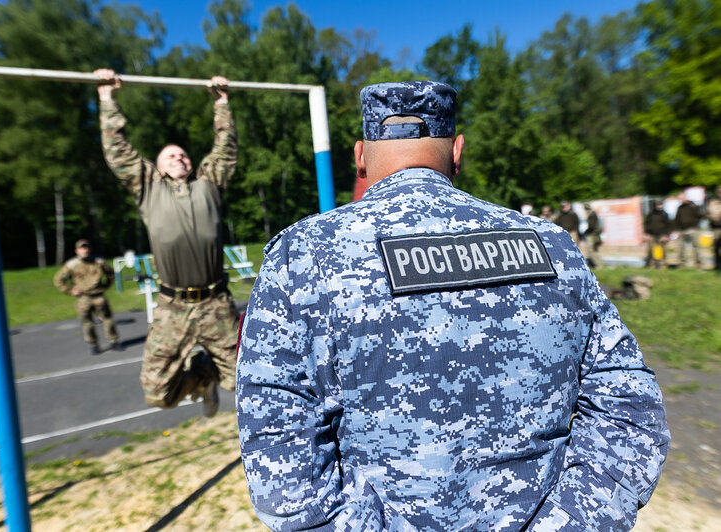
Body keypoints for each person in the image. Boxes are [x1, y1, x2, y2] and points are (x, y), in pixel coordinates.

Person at [237, 81, 669, 531]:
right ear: (458, 150)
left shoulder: (303, 255)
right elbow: (632, 412)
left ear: (360, 156)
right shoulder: (550, 245)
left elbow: (280, 468)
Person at [95, 68, 239, 417]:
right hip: (172, 305)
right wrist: (106, 98)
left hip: (215, 302)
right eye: (170, 155)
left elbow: (225, 148)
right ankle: (201, 379)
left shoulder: (209, 184)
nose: (179, 158)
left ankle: (209, 372)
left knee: (245, 380)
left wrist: (221, 103)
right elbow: (119, 152)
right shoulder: (148, 187)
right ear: (157, 167)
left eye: (183, 154)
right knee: (157, 393)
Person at [54, 239, 120, 355]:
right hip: (84, 297)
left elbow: (111, 273)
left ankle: (114, 341)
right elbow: (58, 280)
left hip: (98, 295)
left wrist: (106, 285)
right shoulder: (72, 264)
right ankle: (93, 344)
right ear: (77, 251)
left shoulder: (98, 262)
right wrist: (69, 290)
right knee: (87, 322)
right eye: (82, 248)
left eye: (86, 247)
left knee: (108, 319)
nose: (85, 250)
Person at [674, 192, 703, 268]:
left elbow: (700, 215)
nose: (680, 200)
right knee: (681, 247)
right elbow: (677, 219)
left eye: (681, 198)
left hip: (692, 229)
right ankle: (682, 263)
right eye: (679, 199)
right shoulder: (680, 208)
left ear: (685, 197)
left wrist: (695, 224)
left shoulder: (693, 206)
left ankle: (698, 263)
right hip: (682, 230)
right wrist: (677, 229)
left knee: (696, 246)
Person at [644, 200, 671, 269]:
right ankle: (651, 266)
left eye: (660, 204)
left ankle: (662, 266)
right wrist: (647, 234)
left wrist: (666, 235)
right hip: (652, 235)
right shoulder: (650, 214)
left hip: (662, 235)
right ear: (655, 205)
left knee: (662, 251)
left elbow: (668, 226)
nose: (659, 206)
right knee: (651, 251)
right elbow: (647, 224)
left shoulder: (665, 214)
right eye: (658, 205)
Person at [581, 203, 602, 268]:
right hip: (594, 234)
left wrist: (585, 232)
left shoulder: (592, 215)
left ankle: (598, 265)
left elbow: (592, 227)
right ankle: (596, 264)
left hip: (593, 235)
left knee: (592, 250)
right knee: (593, 250)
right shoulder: (593, 214)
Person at [707, 186, 721, 271]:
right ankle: (717, 265)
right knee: (716, 247)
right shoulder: (713, 202)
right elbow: (710, 213)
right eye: (719, 192)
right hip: (716, 228)